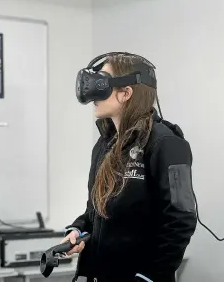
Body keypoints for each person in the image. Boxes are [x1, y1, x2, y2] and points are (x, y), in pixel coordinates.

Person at [62, 52, 197, 282]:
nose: (93, 93)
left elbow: (181, 220)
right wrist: (76, 231)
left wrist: (148, 277)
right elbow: (94, 211)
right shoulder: (104, 145)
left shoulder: (168, 144)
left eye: (102, 83)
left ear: (126, 93)